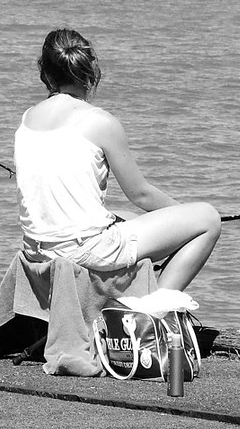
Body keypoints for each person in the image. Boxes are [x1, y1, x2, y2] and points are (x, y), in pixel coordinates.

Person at [15, 28, 220, 292]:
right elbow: (141, 194)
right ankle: (155, 311)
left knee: (128, 217)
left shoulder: (28, 118)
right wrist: (181, 212)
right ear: (90, 71)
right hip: (82, 251)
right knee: (208, 219)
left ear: (45, 70)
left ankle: (129, 295)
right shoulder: (99, 121)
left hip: (36, 249)